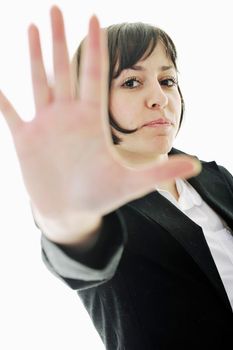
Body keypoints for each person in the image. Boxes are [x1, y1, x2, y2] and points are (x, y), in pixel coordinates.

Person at [0, 5, 232, 350]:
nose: (159, 98)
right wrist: (66, 224)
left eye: (167, 80)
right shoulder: (91, 197)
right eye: (131, 82)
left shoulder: (215, 176)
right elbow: (81, 253)